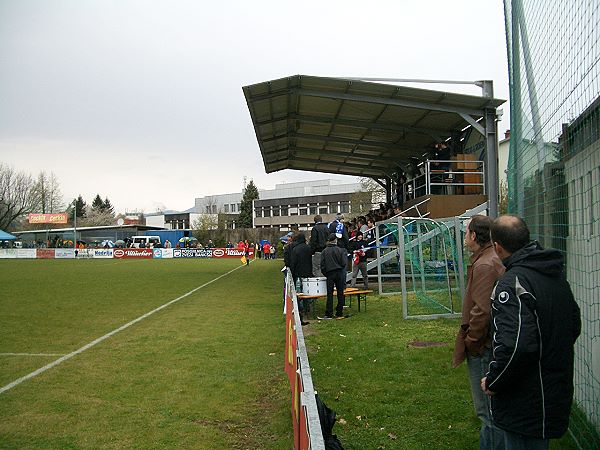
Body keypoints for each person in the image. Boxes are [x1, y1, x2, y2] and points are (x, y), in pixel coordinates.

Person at [481, 215, 581, 450]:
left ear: (497, 247)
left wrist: (494, 381)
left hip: (525, 400)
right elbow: (573, 324)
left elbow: (515, 346)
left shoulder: (512, 284)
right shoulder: (553, 275)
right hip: (552, 389)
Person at [452, 215, 505, 450]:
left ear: (474, 235)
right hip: (487, 344)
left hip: (483, 348)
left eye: (466, 232)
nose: (465, 237)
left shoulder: (485, 264)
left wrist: (472, 342)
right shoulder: (488, 259)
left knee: (487, 413)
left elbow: (482, 311)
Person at [320, 233, 348, 319]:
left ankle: (329, 312)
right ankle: (339, 311)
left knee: (330, 294)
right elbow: (344, 263)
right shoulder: (340, 250)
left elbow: (322, 265)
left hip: (330, 273)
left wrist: (326, 273)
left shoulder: (324, 251)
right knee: (340, 292)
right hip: (339, 272)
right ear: (335, 240)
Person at [290, 233, 313, 325]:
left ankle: (301, 310)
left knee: (299, 293)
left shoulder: (295, 249)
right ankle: (308, 308)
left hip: (299, 274)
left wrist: (293, 272)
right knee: (307, 291)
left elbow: (293, 262)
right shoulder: (308, 248)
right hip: (307, 273)